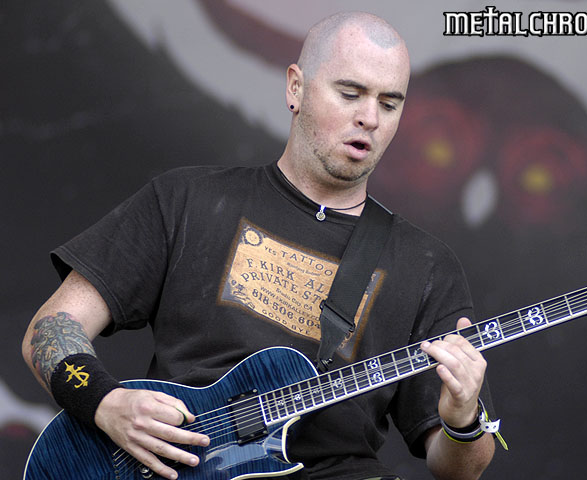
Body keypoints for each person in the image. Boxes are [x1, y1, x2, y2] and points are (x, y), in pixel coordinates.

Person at [22, 11, 497, 480]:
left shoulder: (426, 266)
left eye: (389, 104)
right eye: (350, 93)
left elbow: (460, 469)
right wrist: (105, 402)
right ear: (296, 88)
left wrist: (463, 420)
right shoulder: (187, 199)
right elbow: (52, 326)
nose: (369, 118)